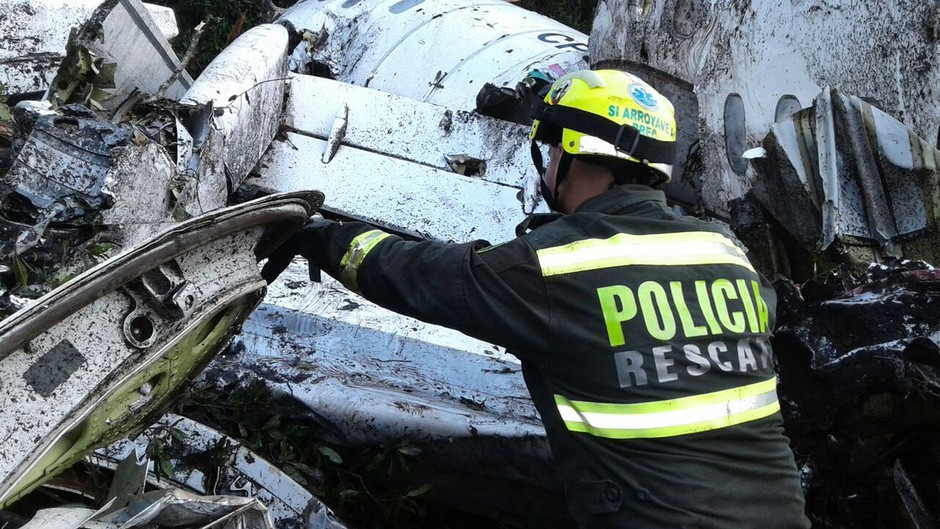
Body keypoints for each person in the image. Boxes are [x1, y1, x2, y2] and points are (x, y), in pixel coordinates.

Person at [262, 69, 810, 529]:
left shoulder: (559, 266)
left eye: (552, 147)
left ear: (574, 150)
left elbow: (424, 278)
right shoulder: (726, 254)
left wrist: (323, 237)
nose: (547, 163)